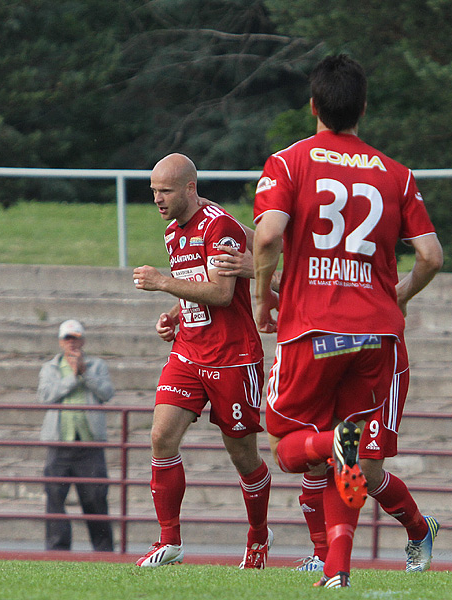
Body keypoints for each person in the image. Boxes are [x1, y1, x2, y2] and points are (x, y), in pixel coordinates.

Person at [252, 54, 444, 588]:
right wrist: (398, 293)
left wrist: (262, 296)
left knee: (290, 446)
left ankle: (332, 443)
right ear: (363, 107)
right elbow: (430, 255)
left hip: (314, 330)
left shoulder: (289, 163)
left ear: (312, 106)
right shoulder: (397, 175)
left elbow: (267, 236)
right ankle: (339, 569)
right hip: (375, 335)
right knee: (356, 461)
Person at [132, 153, 272, 569]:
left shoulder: (221, 227)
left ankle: (259, 537)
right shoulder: (174, 231)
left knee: (243, 456)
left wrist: (161, 283)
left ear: (190, 188)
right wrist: (174, 316)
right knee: (161, 437)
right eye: (154, 191)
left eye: (166, 191)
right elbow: (193, 285)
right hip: (189, 353)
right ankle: (169, 540)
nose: (158, 199)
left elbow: (222, 293)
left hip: (233, 358)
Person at [39, 319, 115, 552]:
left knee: (95, 499)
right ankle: (57, 549)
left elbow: (106, 393)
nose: (72, 343)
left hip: (89, 445)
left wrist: (85, 374)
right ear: (61, 342)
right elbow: (45, 396)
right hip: (60, 443)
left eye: (76, 338)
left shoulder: (96, 365)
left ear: (83, 340)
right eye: (68, 338)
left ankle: (104, 551)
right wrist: (72, 377)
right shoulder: (50, 368)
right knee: (55, 498)